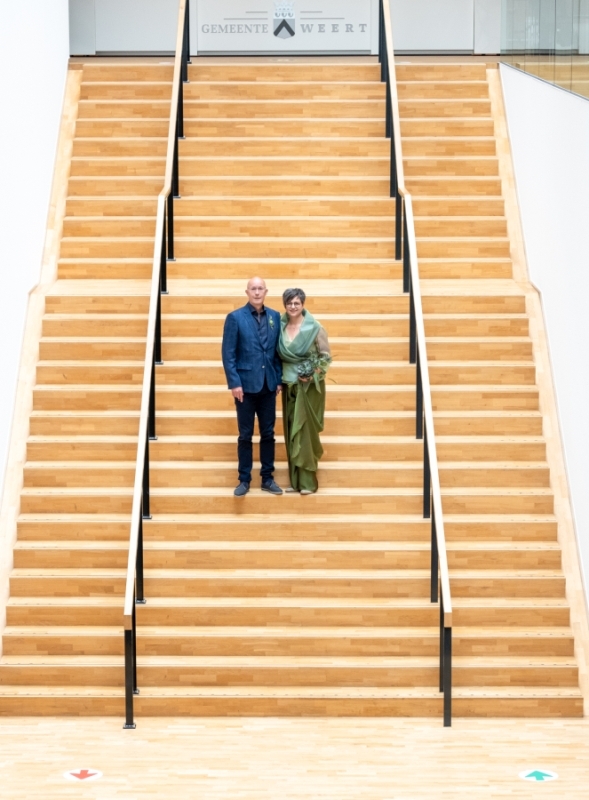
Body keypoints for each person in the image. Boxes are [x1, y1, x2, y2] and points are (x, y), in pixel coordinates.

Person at [221, 277, 284, 497]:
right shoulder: (235, 318)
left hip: (268, 386)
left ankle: (267, 478)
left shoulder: (275, 317)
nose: (257, 292)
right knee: (245, 434)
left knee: (268, 433)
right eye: (253, 289)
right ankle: (244, 479)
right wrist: (234, 383)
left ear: (266, 291)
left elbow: (276, 351)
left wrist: (278, 379)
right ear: (247, 292)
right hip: (245, 387)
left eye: (260, 289)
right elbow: (228, 354)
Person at [278, 288, 332, 495]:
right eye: (289, 303)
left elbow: (325, 357)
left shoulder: (315, 328)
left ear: (302, 304)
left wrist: (312, 374)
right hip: (288, 387)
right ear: (285, 305)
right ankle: (296, 482)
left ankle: (308, 483)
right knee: (292, 433)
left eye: (297, 303)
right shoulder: (280, 327)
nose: (293, 306)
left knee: (305, 434)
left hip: (308, 389)